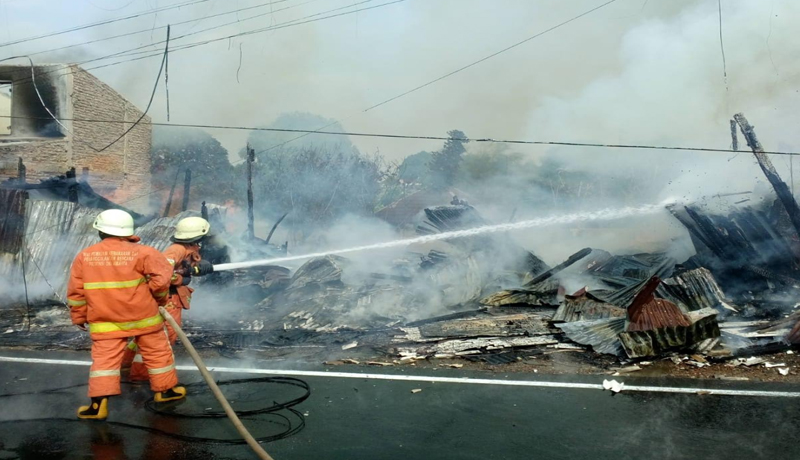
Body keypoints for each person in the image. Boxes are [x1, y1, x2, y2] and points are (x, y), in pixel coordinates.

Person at [67, 209, 186, 420]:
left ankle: (98, 407)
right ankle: (165, 392)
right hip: (145, 318)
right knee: (158, 353)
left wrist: (78, 316)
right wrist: (158, 298)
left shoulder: (84, 256)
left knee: (104, 362)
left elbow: (77, 294)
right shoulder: (145, 253)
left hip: (106, 322)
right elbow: (162, 280)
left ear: (100, 231)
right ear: (128, 232)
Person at [125, 216, 213, 381]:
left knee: (149, 335)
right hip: (168, 299)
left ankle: (126, 363)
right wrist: (181, 279)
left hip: (171, 298)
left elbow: (187, 266)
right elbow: (162, 273)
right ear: (198, 237)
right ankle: (141, 374)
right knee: (163, 338)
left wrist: (198, 267)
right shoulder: (176, 250)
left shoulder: (187, 248)